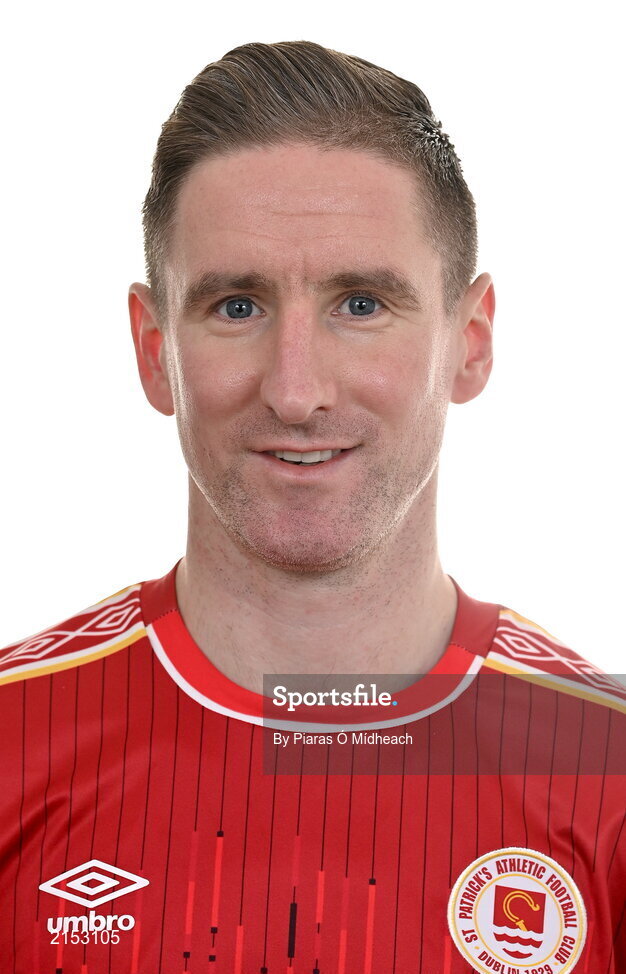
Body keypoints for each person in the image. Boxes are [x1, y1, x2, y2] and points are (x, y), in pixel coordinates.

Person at [1, 40, 624, 974]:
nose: (296, 392)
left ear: (472, 341)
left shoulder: (607, 770)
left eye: (362, 303)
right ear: (151, 347)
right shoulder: (14, 744)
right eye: (238, 307)